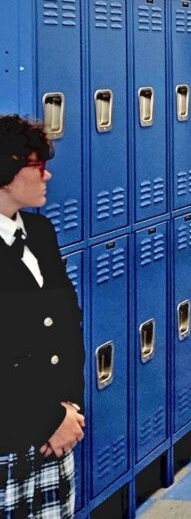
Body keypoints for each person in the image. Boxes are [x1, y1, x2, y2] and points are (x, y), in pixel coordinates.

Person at [0, 114, 85, 518]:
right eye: (38, 166)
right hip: (9, 439)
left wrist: (70, 411)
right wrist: (51, 418)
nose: (47, 176)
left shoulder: (40, 233)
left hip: (53, 438)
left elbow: (69, 326)